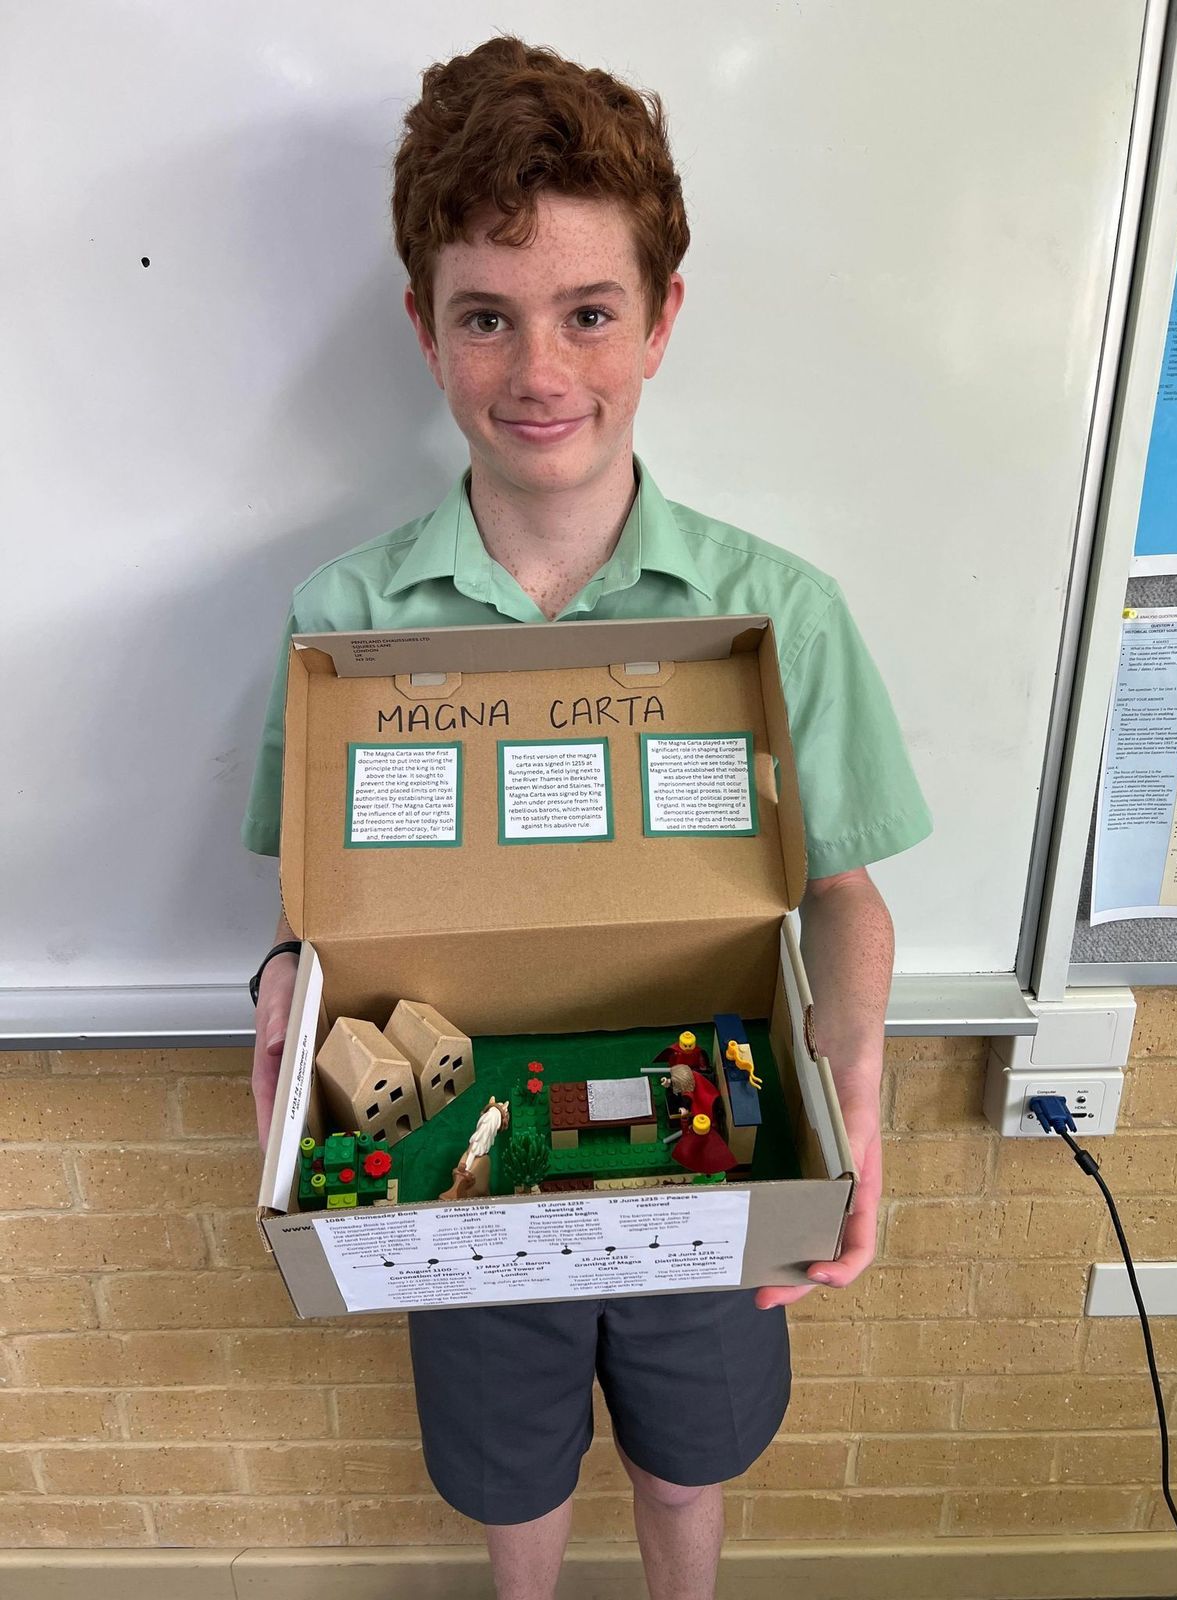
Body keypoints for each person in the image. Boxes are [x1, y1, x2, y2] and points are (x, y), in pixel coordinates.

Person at [241, 34, 932, 1600]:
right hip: (468, 1198)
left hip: (719, 1164)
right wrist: (284, 988)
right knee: (514, 1480)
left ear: (663, 319)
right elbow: (315, 914)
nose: (540, 373)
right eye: (487, 316)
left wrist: (854, 1076)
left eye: (589, 313)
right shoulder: (347, 619)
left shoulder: (778, 611)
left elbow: (844, 893)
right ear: (426, 330)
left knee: (691, 1460)